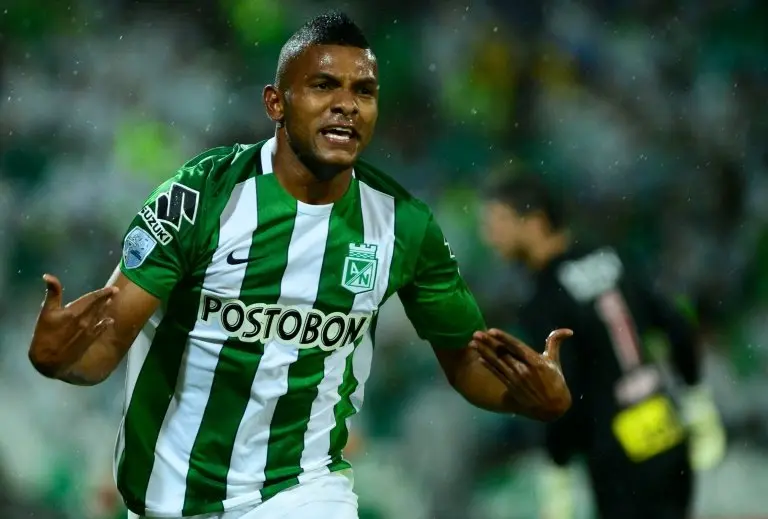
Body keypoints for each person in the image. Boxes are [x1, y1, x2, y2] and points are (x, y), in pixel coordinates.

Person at [26, 12, 573, 519]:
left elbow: (466, 361)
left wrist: (528, 399)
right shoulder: (204, 196)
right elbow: (102, 345)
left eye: (364, 91)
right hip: (168, 497)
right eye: (323, 86)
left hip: (304, 491)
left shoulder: (403, 226)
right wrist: (58, 360)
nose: (347, 104)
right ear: (276, 103)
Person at [479, 173, 724, 519]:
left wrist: (557, 466)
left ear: (534, 223)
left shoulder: (545, 300)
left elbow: (560, 393)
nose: (490, 236)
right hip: (667, 437)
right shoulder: (610, 256)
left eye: (499, 222)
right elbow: (676, 325)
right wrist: (697, 398)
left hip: (617, 461)